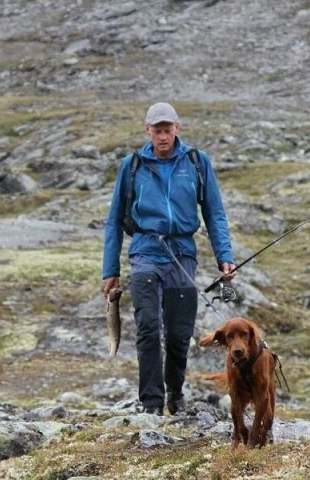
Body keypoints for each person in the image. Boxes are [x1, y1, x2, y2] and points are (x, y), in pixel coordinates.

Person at [101, 102, 236, 416]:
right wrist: (111, 270)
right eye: (156, 130)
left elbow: (215, 213)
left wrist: (224, 257)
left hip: (183, 256)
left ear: (177, 128)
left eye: (167, 129)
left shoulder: (197, 162)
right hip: (145, 253)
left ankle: (174, 393)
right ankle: (150, 403)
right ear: (147, 131)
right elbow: (113, 220)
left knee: (178, 333)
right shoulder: (131, 165)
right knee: (148, 326)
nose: (162, 136)